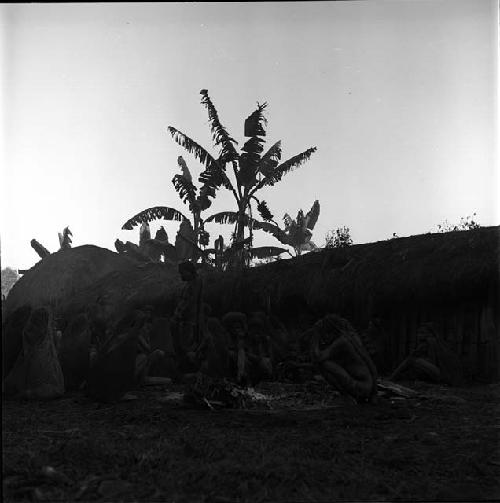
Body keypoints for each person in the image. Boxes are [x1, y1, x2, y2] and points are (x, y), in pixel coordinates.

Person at [309, 314, 378, 402]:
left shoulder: (341, 342)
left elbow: (317, 358)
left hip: (360, 388)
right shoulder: (351, 338)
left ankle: (346, 396)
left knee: (322, 364)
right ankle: (352, 396)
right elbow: (370, 364)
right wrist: (374, 393)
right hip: (366, 387)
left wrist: (316, 335)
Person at [390, 323, 463, 386]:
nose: (418, 335)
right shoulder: (438, 342)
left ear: (430, 334)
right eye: (418, 332)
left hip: (443, 376)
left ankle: (391, 378)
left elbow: (410, 359)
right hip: (447, 376)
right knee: (416, 362)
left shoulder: (429, 342)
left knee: (411, 360)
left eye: (422, 333)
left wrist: (393, 376)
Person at [171, 261, 203, 373]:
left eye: (182, 273)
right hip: (188, 321)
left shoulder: (194, 285)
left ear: (189, 272)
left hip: (189, 321)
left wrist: (176, 317)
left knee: (187, 347)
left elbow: (187, 303)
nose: (181, 275)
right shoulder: (192, 284)